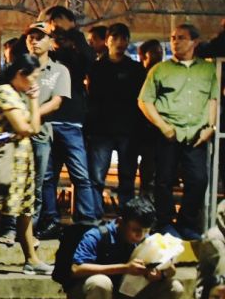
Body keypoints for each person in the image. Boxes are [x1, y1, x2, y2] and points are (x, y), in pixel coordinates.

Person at [61, 196, 183, 299]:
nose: (140, 235)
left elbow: (171, 269)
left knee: (175, 287)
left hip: (123, 294)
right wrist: (124, 268)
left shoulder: (146, 239)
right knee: (101, 282)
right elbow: (76, 269)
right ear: (120, 222)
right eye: (136, 230)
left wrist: (161, 274)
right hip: (87, 295)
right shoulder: (96, 235)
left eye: (145, 231)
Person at [139, 23, 217, 240]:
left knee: (198, 180)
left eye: (181, 38)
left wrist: (210, 127)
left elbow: (213, 99)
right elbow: (144, 101)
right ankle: (165, 223)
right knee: (163, 181)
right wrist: (163, 126)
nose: (175, 41)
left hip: (196, 135)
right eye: (173, 38)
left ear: (194, 42)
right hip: (168, 134)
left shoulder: (208, 69)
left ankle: (187, 223)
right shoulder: (160, 69)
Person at [0, 53, 52, 274]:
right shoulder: (4, 92)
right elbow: (26, 128)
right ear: (20, 74)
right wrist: (33, 102)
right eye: (33, 77)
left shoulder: (19, 95)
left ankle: (31, 258)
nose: (35, 82)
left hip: (22, 162)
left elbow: (36, 128)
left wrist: (31, 101)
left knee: (25, 211)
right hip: (6, 162)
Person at [37, 26, 98, 232]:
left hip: (71, 123)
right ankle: (50, 219)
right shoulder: (44, 59)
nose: (57, 40)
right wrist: (42, 25)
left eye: (61, 37)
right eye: (53, 36)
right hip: (47, 123)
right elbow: (23, 48)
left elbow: (91, 57)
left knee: (80, 174)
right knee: (47, 176)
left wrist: (73, 32)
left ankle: (86, 220)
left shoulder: (77, 59)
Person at [86, 22, 147, 215]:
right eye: (115, 38)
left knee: (127, 178)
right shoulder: (96, 68)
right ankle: (94, 215)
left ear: (128, 41)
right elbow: (92, 98)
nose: (120, 43)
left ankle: (126, 217)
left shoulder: (136, 69)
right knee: (96, 177)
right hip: (101, 130)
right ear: (107, 41)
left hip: (128, 131)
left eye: (123, 38)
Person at [21, 26, 72, 240]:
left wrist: (31, 115)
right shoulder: (19, 68)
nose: (34, 41)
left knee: (37, 184)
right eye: (31, 38)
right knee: (15, 181)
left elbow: (57, 102)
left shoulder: (60, 71)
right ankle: (9, 228)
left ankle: (28, 231)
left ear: (50, 42)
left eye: (40, 38)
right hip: (16, 133)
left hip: (40, 134)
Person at [136, 38, 166, 197]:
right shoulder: (137, 75)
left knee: (154, 167)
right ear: (142, 55)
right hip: (140, 128)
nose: (159, 55)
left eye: (160, 52)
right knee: (146, 167)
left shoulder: (165, 75)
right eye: (154, 52)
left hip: (156, 129)